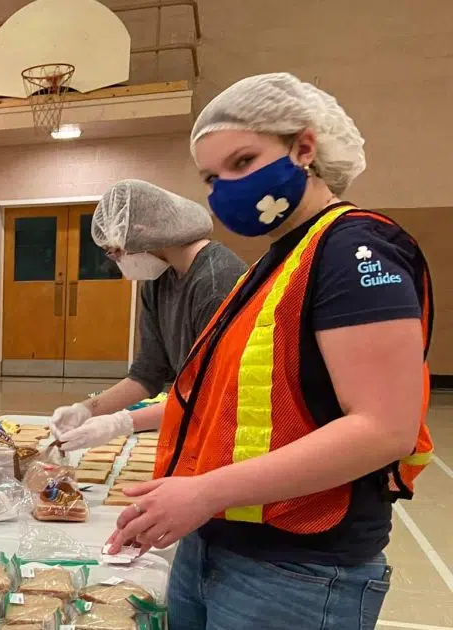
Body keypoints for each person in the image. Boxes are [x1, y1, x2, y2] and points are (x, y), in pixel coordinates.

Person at [107, 73, 433, 629]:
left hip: (298, 566)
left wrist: (205, 490)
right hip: (221, 540)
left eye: (242, 162)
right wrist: (147, 456)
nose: (224, 187)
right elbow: (224, 402)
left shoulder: (352, 250)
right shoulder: (275, 263)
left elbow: (384, 428)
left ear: (303, 149)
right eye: (211, 177)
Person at [50, 180, 247, 451]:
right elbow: (147, 374)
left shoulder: (217, 283)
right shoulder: (158, 280)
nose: (117, 262)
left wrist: (120, 423)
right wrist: (86, 409)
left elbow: (214, 394)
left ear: (141, 232)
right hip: (193, 416)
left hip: (231, 430)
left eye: (116, 251)